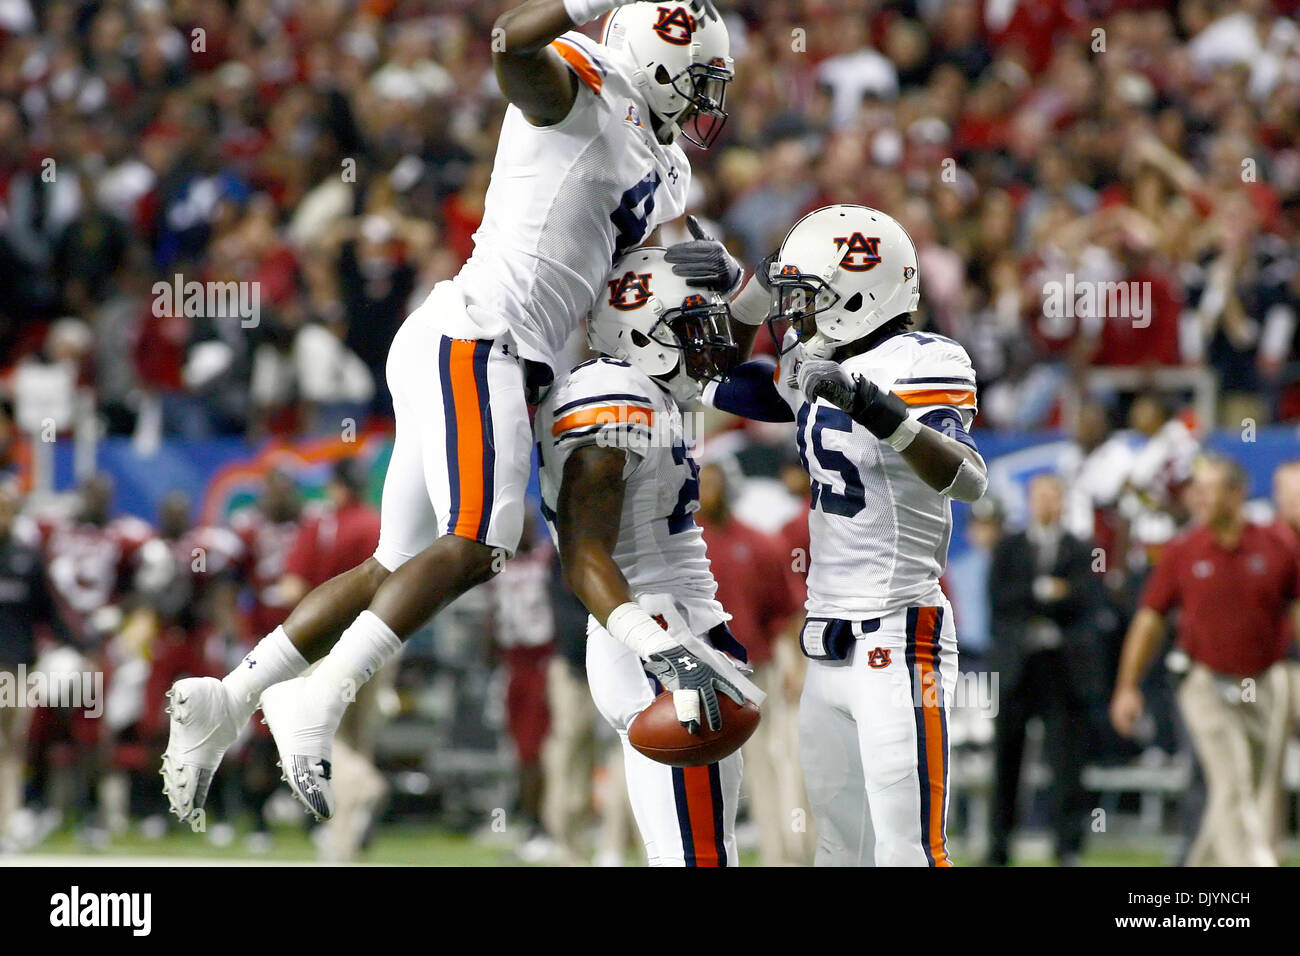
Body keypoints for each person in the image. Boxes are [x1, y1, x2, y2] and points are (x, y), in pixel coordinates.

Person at [162, 0, 742, 824]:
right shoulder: (586, 87)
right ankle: (316, 699)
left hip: (493, 350)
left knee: (392, 569)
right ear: (651, 62)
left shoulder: (666, 160)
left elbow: (679, 264)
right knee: (479, 540)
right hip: (482, 338)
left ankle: (229, 697)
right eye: (698, 80)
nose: (705, 101)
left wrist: (745, 296)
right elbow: (509, 41)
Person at [706, 204, 989, 866]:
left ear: (860, 292)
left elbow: (969, 479)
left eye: (808, 296)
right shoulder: (813, 361)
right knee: (839, 852)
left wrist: (872, 407)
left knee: (908, 850)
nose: (795, 313)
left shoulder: (925, 360)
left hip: (897, 632)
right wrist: (748, 293)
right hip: (824, 645)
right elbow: (718, 379)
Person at [537, 246, 762, 866]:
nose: (707, 346)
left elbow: (726, 361)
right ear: (642, 334)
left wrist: (755, 287)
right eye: (689, 330)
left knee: (697, 850)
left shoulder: (648, 388)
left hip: (667, 625)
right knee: (698, 855)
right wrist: (663, 649)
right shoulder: (615, 397)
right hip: (654, 630)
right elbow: (583, 554)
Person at [1111, 454, 1298, 866]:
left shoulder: (1278, 543)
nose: (1199, 498)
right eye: (1196, 489)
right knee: (1232, 783)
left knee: (1244, 784)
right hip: (1204, 682)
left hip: (1265, 682)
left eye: (1210, 489)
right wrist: (1127, 686)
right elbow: (1149, 620)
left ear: (1238, 493)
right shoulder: (1182, 550)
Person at [986, 473, 1107, 866]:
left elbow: (1088, 600)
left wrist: (1049, 598)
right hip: (1017, 666)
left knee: (1066, 761)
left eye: (1054, 496)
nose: (1047, 503)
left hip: (1063, 667)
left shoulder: (1080, 548)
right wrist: (1046, 592)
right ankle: (999, 845)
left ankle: (1068, 846)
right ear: (1029, 499)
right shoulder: (1010, 547)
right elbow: (1000, 601)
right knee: (1006, 759)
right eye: (1040, 495)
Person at [695, 460, 807, 865]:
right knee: (700, 773)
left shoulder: (760, 543)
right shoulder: (682, 544)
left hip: (754, 670)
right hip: (696, 676)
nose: (709, 490)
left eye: (715, 481)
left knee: (773, 762)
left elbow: (786, 613)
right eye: (702, 481)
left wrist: (795, 663)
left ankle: (786, 855)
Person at [0, 479, 72, 847]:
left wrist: (82, 642)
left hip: (15, 666)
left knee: (12, 747)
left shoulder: (26, 559)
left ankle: (7, 825)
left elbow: (49, 613)